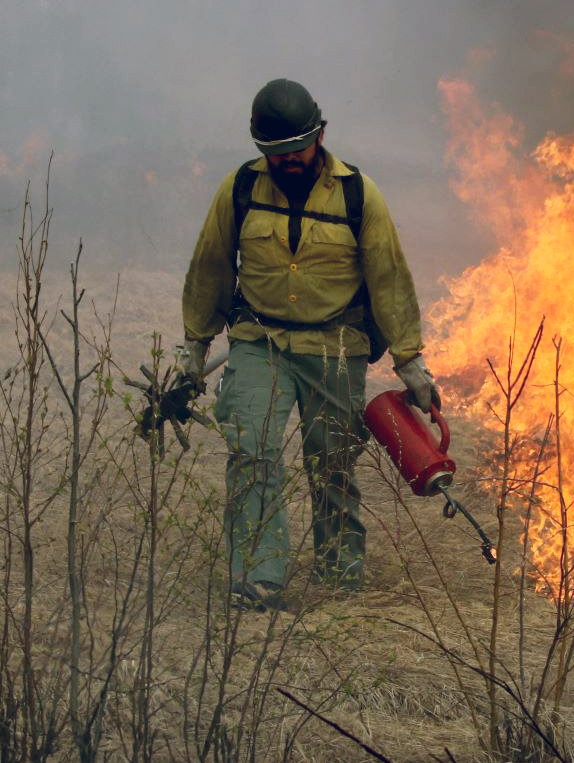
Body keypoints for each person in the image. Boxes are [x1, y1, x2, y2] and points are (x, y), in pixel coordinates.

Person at [179, 78, 438, 610]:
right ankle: (256, 579)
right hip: (259, 341)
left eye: (298, 149)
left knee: (333, 461)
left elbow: (389, 278)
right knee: (252, 452)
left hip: (335, 345)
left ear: (320, 134)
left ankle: (339, 573)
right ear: (261, 149)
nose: (289, 160)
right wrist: (193, 349)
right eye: (276, 153)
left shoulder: (359, 195)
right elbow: (210, 268)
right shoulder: (240, 190)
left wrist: (411, 363)